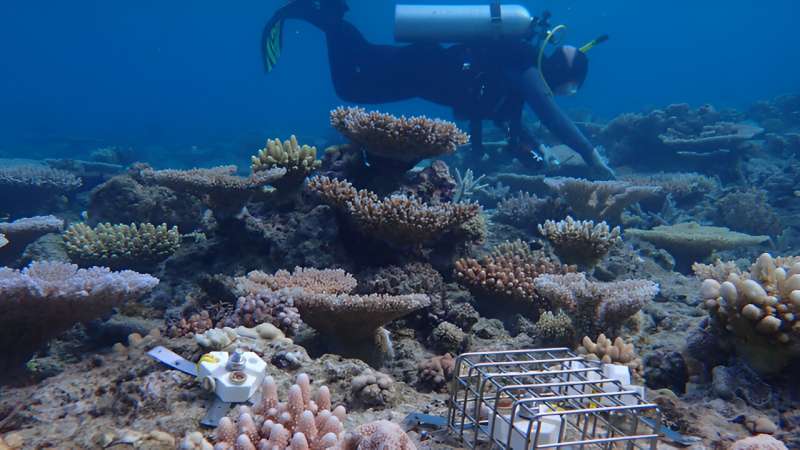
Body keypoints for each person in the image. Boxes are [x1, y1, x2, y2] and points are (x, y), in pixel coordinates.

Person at [263, 0, 615, 179]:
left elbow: (509, 120)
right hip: (424, 69)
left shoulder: (519, 72)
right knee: (350, 86)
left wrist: (533, 149)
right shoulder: (526, 69)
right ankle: (327, 15)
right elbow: (552, 116)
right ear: (560, 74)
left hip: (426, 67)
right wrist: (591, 155)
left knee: (360, 62)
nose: (561, 94)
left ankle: (328, 16)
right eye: (567, 88)